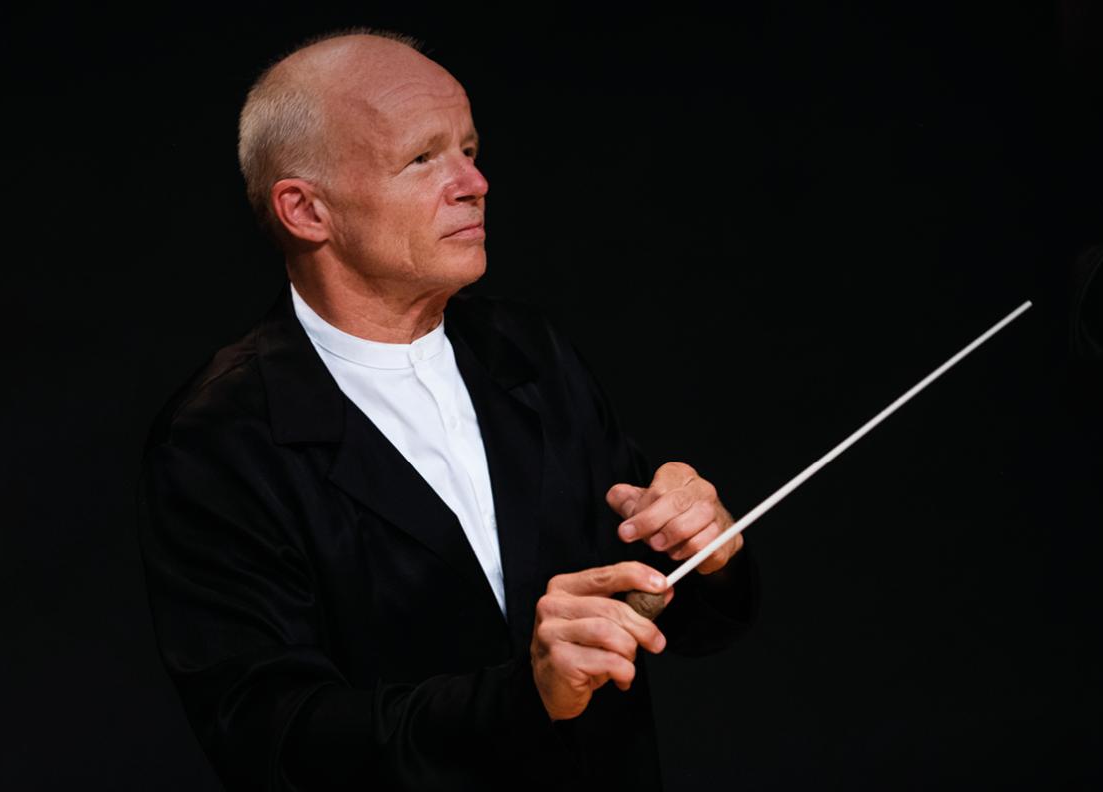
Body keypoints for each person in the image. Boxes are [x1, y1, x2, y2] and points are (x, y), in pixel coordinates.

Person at [136, 29, 758, 791]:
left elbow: (670, 615)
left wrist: (704, 550)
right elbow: (274, 740)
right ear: (305, 211)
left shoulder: (526, 350)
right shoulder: (219, 438)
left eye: (468, 147)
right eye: (423, 158)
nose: (475, 181)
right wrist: (523, 698)